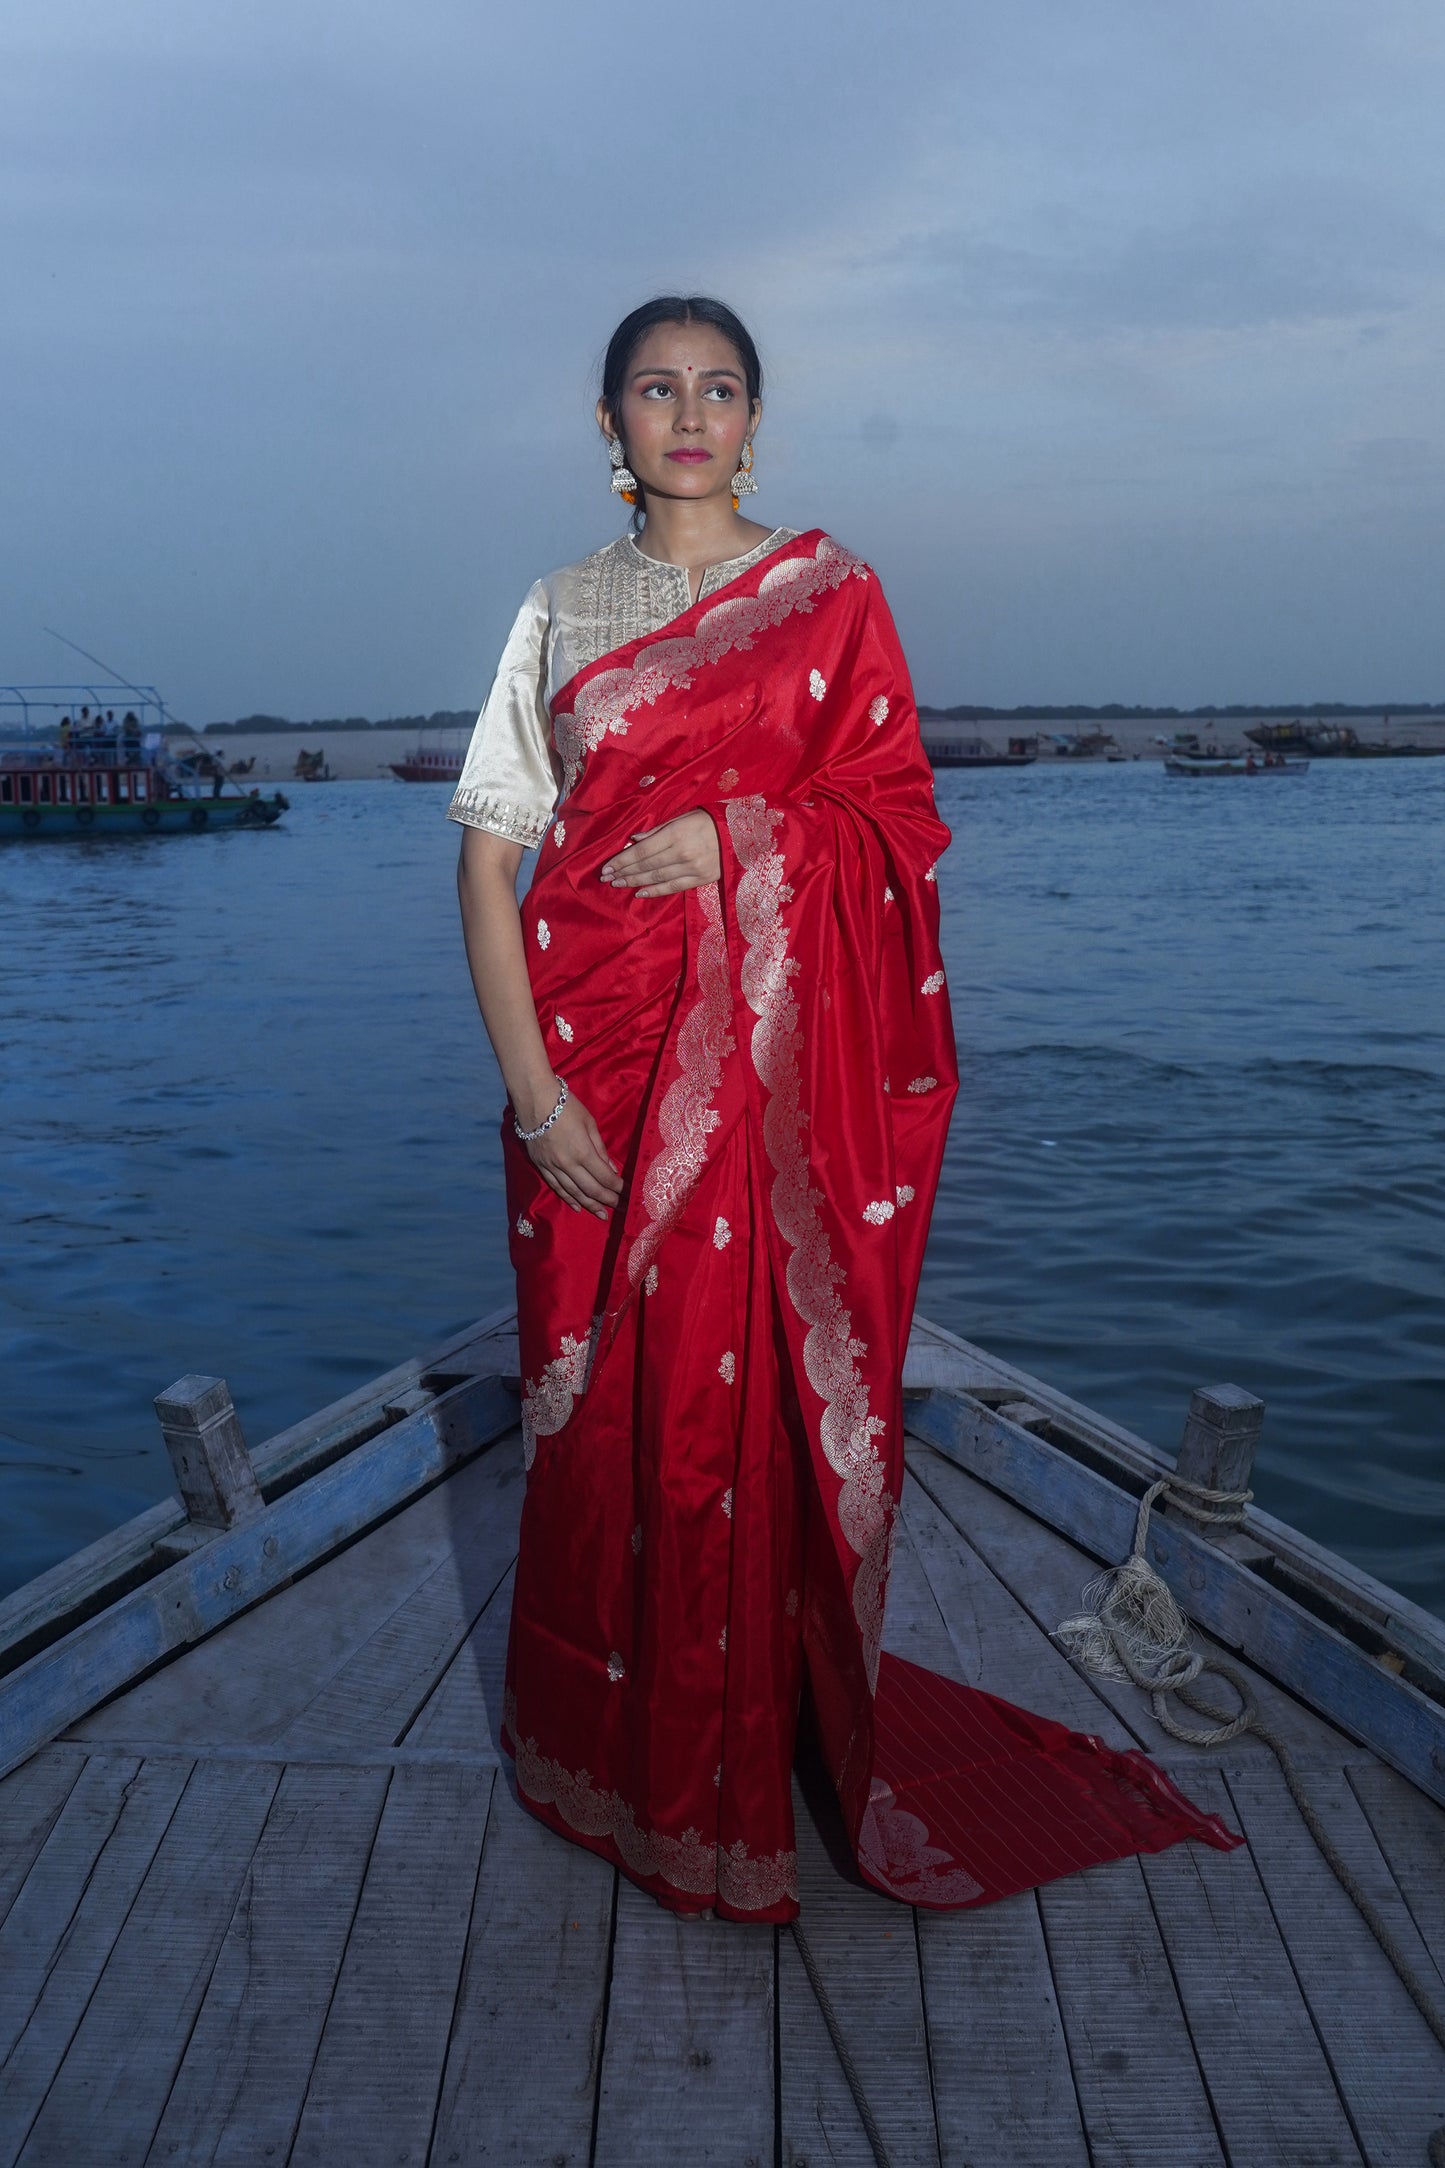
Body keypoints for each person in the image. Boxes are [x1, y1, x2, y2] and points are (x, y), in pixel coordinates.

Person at [452, 295, 1239, 1922]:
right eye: (654, 390)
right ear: (605, 425)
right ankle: (599, 1749)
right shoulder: (560, 612)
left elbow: (893, 824)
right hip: (590, 1070)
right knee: (600, 1437)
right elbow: (485, 858)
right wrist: (534, 1097)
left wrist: (744, 840)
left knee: (723, 1437)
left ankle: (733, 1773)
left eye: (718, 388)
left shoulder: (833, 597)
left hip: (759, 1084)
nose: (687, 414)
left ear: (756, 417)